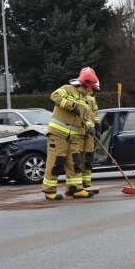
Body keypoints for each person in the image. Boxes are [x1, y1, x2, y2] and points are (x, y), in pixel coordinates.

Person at [41, 70, 99, 200]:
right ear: (86, 84)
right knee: (56, 161)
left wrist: (90, 128)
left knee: (75, 162)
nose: (92, 90)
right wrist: (71, 106)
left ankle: (76, 189)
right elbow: (54, 96)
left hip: (72, 136)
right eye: (91, 87)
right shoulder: (67, 89)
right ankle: (49, 191)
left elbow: (87, 117)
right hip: (57, 133)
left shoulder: (84, 99)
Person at [78, 67, 100, 191]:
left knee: (89, 157)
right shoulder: (78, 93)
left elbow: (94, 112)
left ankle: (87, 183)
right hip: (80, 131)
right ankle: (78, 184)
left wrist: (97, 126)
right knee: (79, 158)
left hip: (90, 132)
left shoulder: (91, 94)